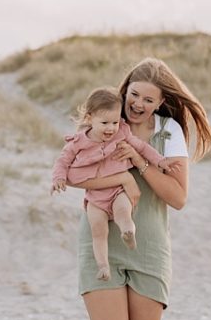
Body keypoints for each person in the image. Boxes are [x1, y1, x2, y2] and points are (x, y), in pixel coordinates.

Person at [65, 57, 211, 320]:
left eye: (148, 99)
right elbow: (78, 175)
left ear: (161, 101)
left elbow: (177, 197)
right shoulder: (108, 123)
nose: (138, 105)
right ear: (125, 89)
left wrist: (141, 164)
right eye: (134, 95)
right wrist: (121, 176)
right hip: (102, 241)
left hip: (149, 245)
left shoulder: (170, 133)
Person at [51, 86, 178, 281]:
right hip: (95, 199)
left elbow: (142, 147)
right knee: (98, 230)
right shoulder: (78, 142)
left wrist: (160, 160)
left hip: (119, 191)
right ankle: (103, 266)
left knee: (123, 212)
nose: (111, 128)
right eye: (104, 123)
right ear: (89, 118)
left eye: (115, 122)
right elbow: (62, 161)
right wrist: (58, 178)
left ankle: (128, 231)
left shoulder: (122, 133)